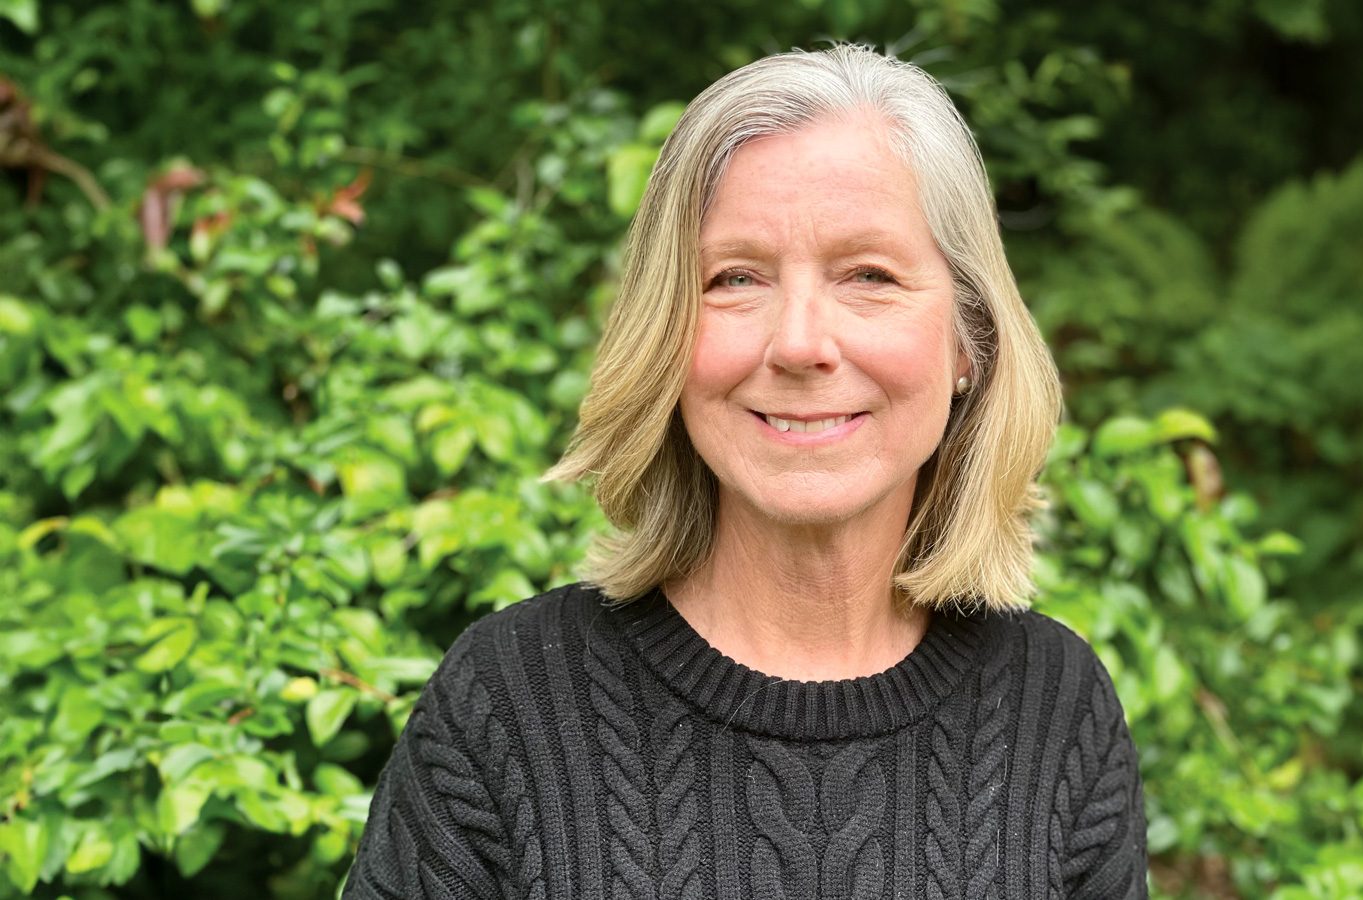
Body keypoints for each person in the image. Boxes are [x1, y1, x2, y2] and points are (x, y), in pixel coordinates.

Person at [343, 43, 1147, 899]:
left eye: (868, 275)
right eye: (735, 279)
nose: (799, 343)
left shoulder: (1055, 710)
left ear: (967, 341)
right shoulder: (508, 704)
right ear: (665, 334)